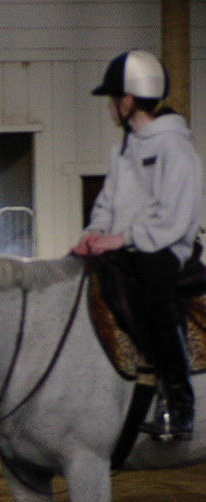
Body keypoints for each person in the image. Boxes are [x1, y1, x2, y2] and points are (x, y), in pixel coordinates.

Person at [72, 49, 203, 441]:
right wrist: (94, 233)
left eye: (113, 99)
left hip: (165, 248)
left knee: (153, 297)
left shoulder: (174, 148)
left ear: (128, 101)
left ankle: (180, 403)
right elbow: (107, 204)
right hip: (127, 246)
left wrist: (121, 238)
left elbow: (173, 218)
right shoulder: (123, 150)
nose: (110, 108)